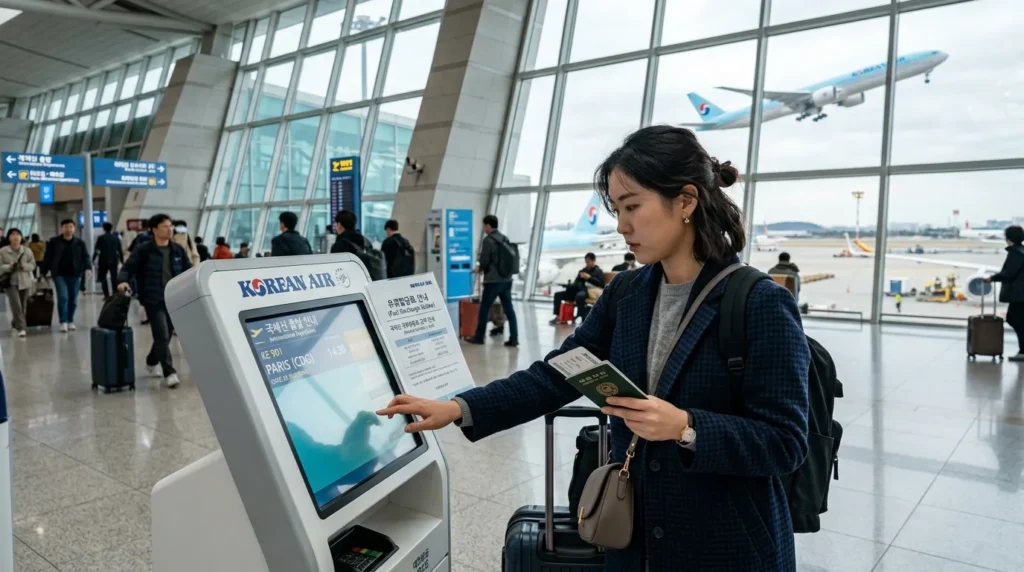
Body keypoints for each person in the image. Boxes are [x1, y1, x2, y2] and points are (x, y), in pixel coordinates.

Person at [377, 125, 810, 571]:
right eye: (617, 209)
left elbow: (785, 442)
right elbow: (556, 374)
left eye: (632, 206)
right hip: (634, 543)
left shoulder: (760, 303)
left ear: (685, 201)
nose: (622, 226)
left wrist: (686, 426)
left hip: (727, 547)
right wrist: (459, 407)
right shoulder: (627, 294)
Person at [117, 214, 193, 388]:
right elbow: (128, 268)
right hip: (153, 298)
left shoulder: (177, 250)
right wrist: (122, 281)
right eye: (165, 226)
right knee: (162, 334)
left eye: (171, 226)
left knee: (164, 337)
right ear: (154, 229)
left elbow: (188, 271)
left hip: (175, 299)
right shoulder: (144, 250)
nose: (170, 229)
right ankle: (170, 372)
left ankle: (152, 361)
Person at [464, 214, 519, 347]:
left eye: (484, 226)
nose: (484, 228)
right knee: (509, 309)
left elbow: (484, 261)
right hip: (507, 280)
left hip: (493, 281)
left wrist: (478, 269)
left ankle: (479, 337)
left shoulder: (488, 240)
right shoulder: (504, 238)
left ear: (488, 225)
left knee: (484, 308)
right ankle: (514, 338)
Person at [42, 219, 92, 333]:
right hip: (59, 274)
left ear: (74, 229)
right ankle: (63, 321)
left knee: (73, 299)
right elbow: (47, 257)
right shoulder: (54, 242)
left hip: (75, 274)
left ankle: (70, 320)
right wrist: (43, 272)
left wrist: (88, 267)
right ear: (62, 228)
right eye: (65, 227)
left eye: (70, 227)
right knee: (63, 297)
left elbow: (86, 257)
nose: (68, 229)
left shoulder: (80, 243)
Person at [984, 224, 1024, 361]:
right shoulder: (1021, 250)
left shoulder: (1016, 253)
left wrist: (992, 278)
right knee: (1014, 319)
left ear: (1008, 238)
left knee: (1016, 320)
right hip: (1020, 296)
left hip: (1019, 296)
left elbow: (1009, 273)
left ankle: (1023, 351)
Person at [0, 229, 37, 337]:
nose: (15, 237)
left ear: (21, 237)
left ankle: (15, 323)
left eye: (18, 234)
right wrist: (9, 267)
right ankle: (21, 327)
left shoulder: (27, 251)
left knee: (23, 305)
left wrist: (24, 266)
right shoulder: (3, 251)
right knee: (16, 305)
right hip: (11, 282)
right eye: (12, 234)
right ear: (9, 238)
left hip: (25, 281)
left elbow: (33, 265)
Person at [549, 253, 605, 324]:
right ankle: (557, 316)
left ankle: (581, 316)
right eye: (586, 262)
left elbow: (600, 284)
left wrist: (589, 278)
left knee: (580, 296)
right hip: (576, 290)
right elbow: (576, 282)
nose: (587, 263)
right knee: (558, 295)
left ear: (593, 261)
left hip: (587, 291)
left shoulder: (598, 271)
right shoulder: (583, 270)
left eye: (588, 261)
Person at [93, 222, 123, 300]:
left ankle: (106, 295)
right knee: (114, 277)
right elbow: (120, 251)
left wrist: (93, 259)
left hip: (103, 260)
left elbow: (96, 250)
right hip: (113, 260)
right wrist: (122, 261)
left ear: (103, 228)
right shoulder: (116, 238)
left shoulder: (100, 238)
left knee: (103, 278)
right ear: (111, 228)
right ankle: (115, 293)